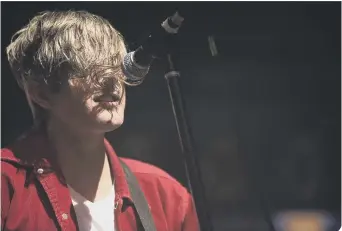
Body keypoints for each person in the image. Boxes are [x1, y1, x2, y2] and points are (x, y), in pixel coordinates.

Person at [1, 10, 199, 231]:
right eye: (89, 68)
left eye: (118, 65)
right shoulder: (6, 186)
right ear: (42, 94)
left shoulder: (167, 196)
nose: (111, 80)